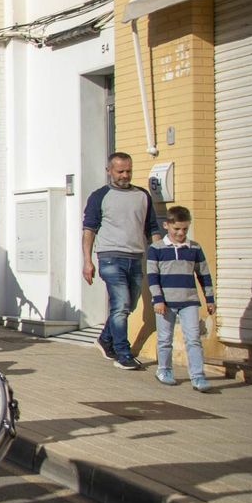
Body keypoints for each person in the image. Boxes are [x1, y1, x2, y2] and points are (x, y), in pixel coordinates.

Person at [81, 152, 163, 371]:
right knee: (121, 304)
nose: (125, 175)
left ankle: (105, 339)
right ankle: (123, 353)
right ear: (109, 171)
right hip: (109, 257)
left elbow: (152, 229)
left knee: (129, 305)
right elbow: (89, 230)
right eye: (120, 171)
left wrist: (160, 257)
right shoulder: (100, 196)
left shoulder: (142, 196)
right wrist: (87, 261)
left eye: (129, 171)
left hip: (136, 257)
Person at [147, 205, 216, 391]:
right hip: (165, 302)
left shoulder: (194, 248)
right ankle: (164, 370)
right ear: (166, 225)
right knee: (164, 339)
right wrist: (158, 299)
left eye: (185, 229)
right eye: (176, 228)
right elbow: (152, 276)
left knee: (193, 338)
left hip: (189, 301)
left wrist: (210, 299)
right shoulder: (156, 248)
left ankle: (198, 376)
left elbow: (204, 275)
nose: (180, 233)